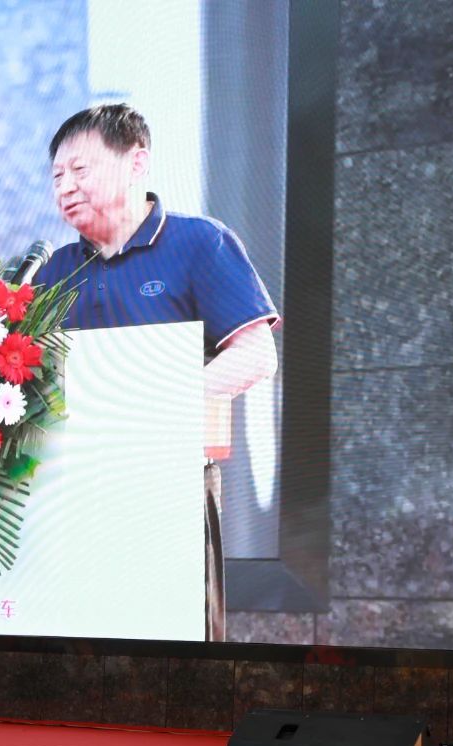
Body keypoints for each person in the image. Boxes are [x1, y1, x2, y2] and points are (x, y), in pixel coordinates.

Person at [31, 104, 281, 641]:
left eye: (80, 169)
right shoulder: (51, 272)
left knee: (173, 645)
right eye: (57, 176)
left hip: (168, 483)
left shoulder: (199, 242)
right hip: (73, 493)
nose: (66, 186)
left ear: (136, 162)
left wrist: (154, 402)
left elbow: (256, 355)